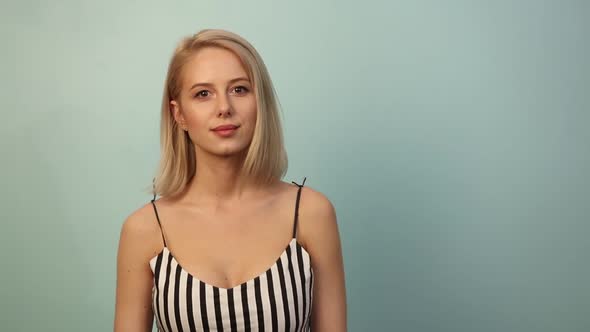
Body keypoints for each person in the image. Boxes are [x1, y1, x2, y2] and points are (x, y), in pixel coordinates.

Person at [113, 29, 347, 331]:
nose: (224, 107)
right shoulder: (144, 230)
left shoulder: (312, 214)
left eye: (239, 89)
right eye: (203, 94)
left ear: (259, 102)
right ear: (179, 114)